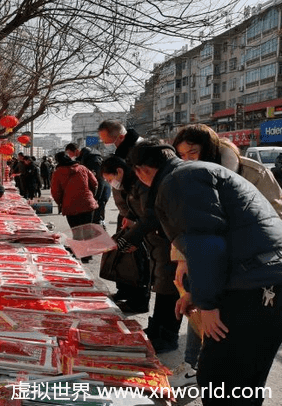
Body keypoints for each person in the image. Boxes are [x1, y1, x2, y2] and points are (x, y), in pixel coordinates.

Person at [128, 140, 282, 406]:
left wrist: (207, 304)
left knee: (221, 377)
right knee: (242, 377)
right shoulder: (190, 173)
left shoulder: (179, 181)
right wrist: (195, 294)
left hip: (257, 284)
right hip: (259, 276)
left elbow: (206, 245)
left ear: (141, 171)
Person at [168, 124, 282, 386]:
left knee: (239, 349)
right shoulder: (189, 177)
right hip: (212, 261)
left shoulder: (253, 173)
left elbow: (275, 219)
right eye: (181, 155)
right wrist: (182, 259)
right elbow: (187, 224)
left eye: (192, 152)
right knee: (202, 313)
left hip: (252, 269)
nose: (187, 159)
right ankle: (192, 367)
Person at [102, 150, 181, 349]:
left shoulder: (145, 184)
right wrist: (133, 221)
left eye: (109, 178)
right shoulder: (133, 184)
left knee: (169, 288)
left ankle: (167, 336)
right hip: (155, 241)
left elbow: (152, 215)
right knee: (161, 285)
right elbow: (142, 213)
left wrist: (131, 238)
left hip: (167, 242)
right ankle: (156, 329)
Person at [97, 119, 145, 307]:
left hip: (136, 214)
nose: (110, 145)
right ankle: (124, 290)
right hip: (126, 212)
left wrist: (133, 216)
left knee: (137, 258)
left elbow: (140, 192)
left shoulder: (139, 151)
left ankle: (138, 299)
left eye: (111, 141)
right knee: (122, 254)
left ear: (121, 136)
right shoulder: (123, 151)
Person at [51, 151, 98, 262]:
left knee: (77, 231)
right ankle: (88, 254)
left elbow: (55, 192)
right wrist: (91, 195)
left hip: (70, 205)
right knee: (87, 230)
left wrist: (60, 203)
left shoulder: (57, 172)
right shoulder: (83, 168)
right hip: (87, 204)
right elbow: (95, 183)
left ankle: (81, 254)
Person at [66, 143, 110, 228]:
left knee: (97, 219)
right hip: (91, 193)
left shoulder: (92, 159)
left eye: (69, 152)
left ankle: (101, 238)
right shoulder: (82, 159)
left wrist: (96, 196)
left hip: (100, 191)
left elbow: (99, 179)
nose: (69, 155)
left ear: (76, 151)